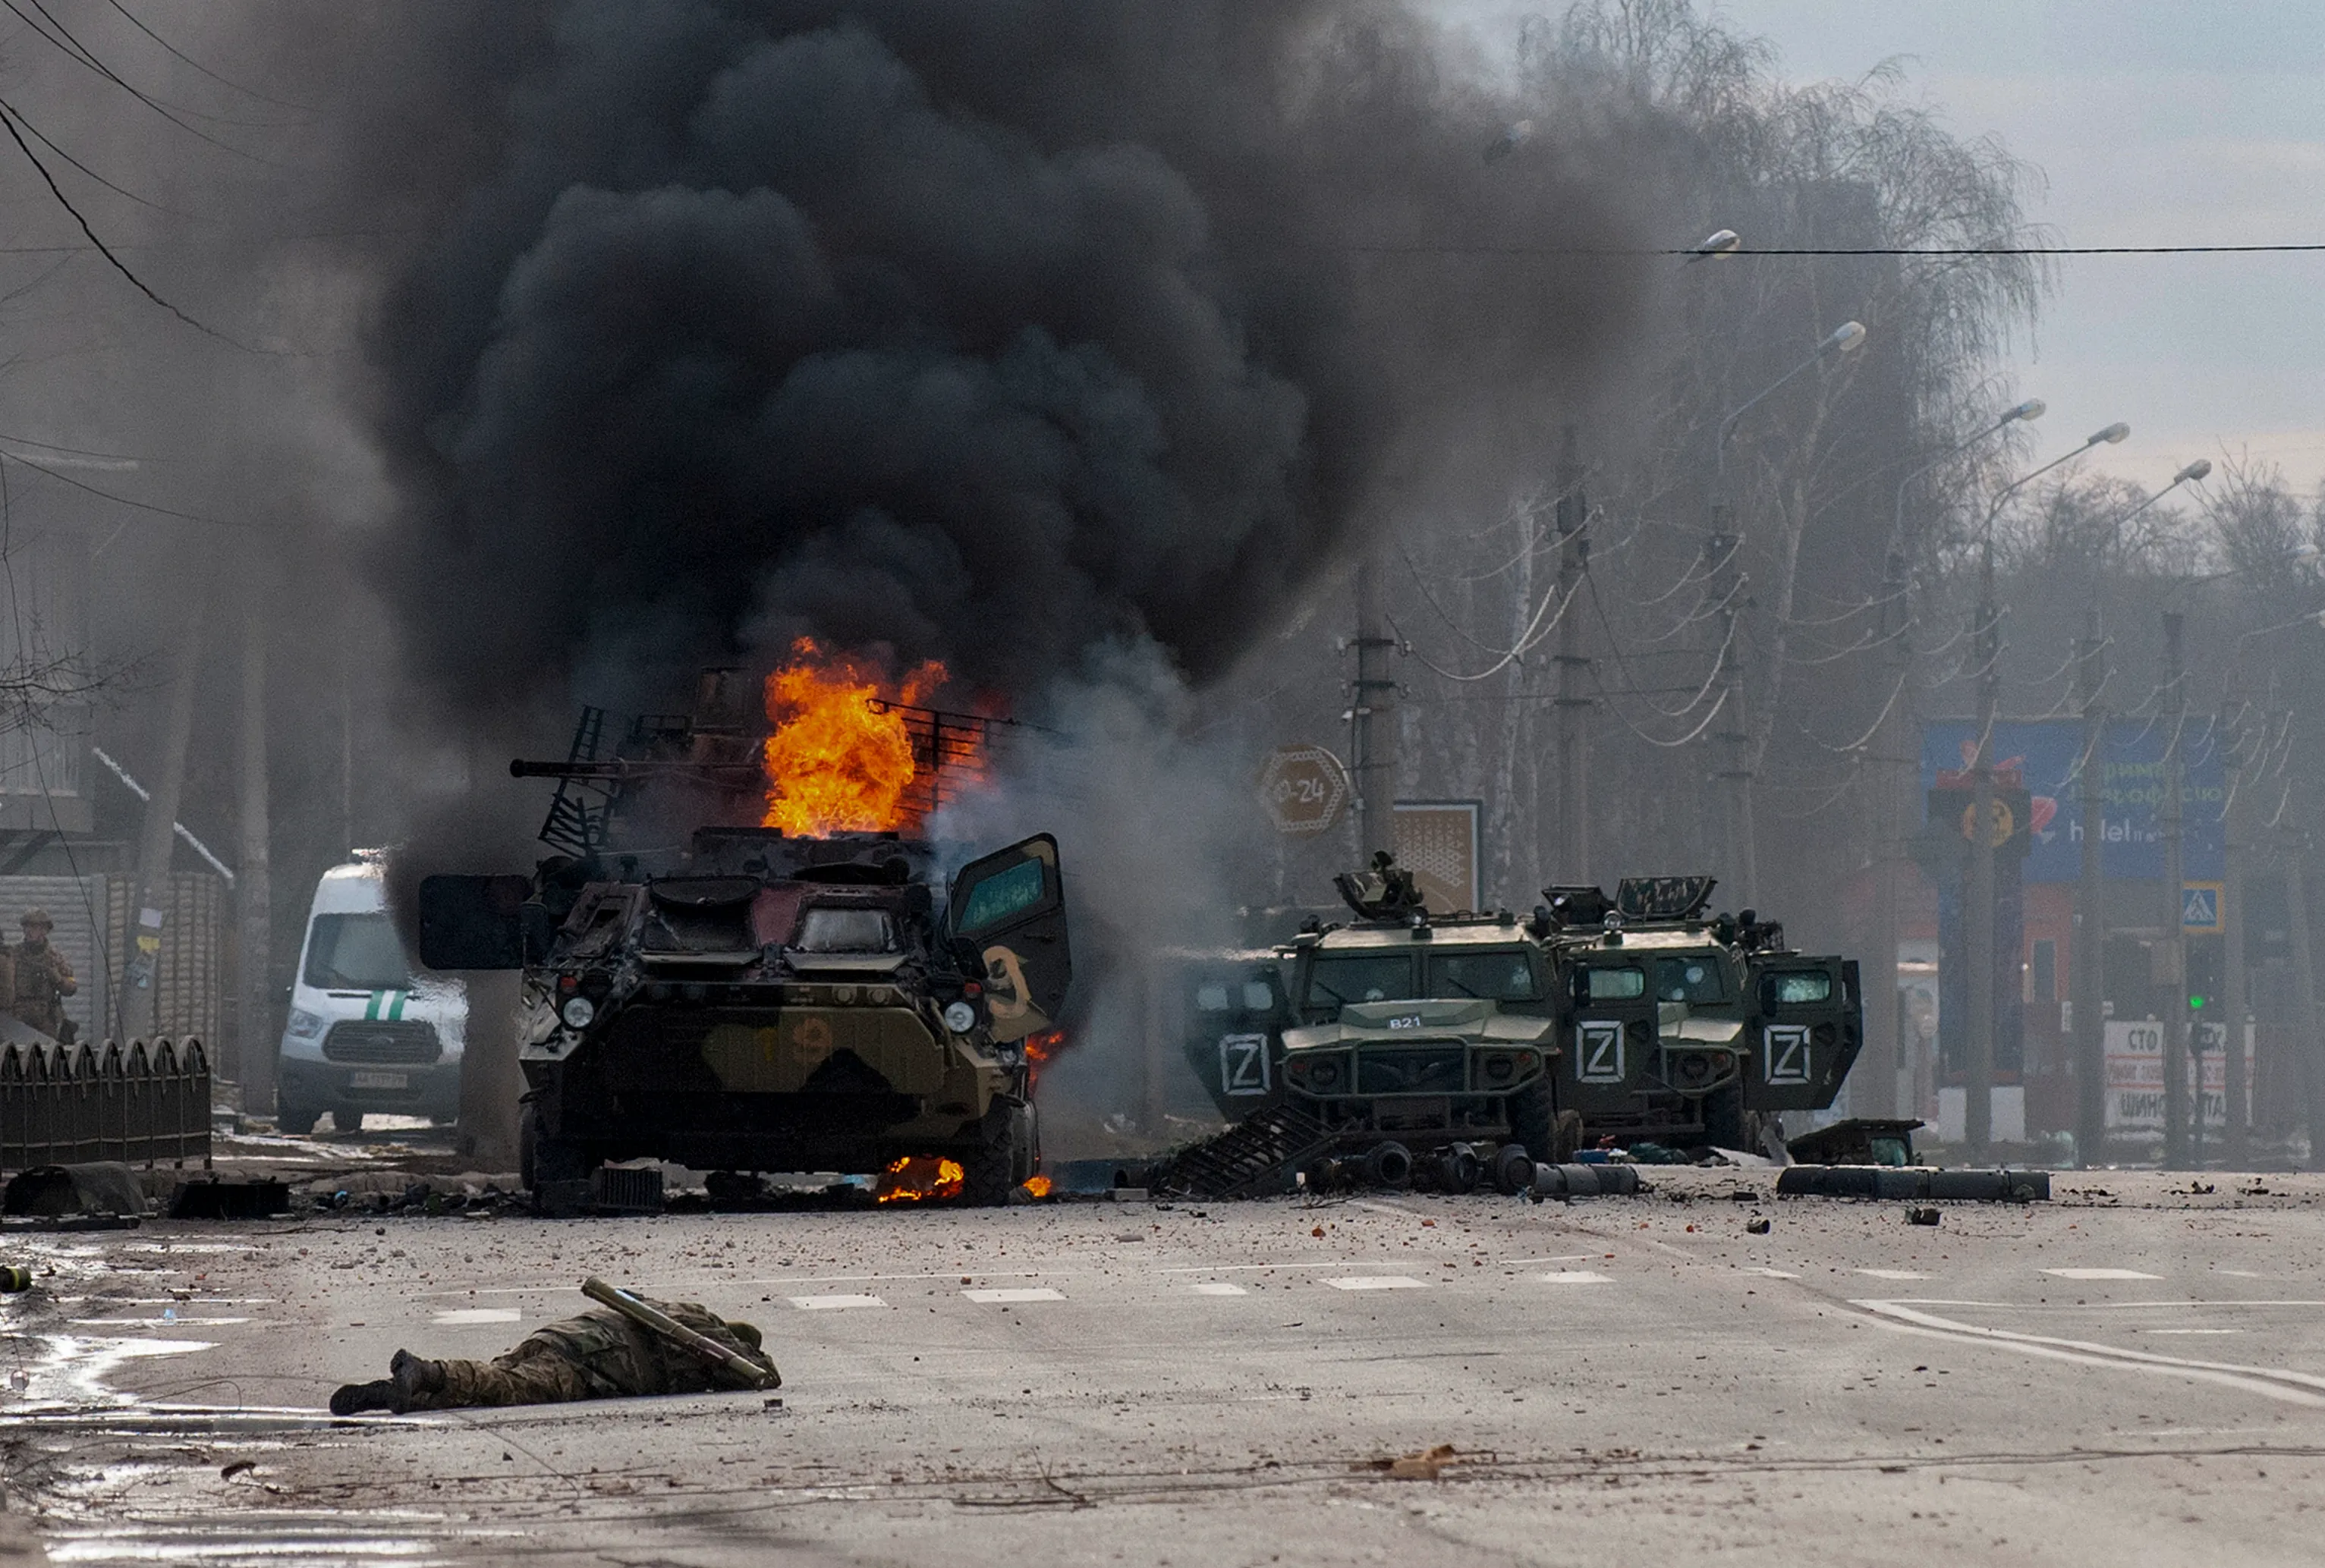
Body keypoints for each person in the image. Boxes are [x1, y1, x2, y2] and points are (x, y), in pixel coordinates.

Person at [329, 1294, 776, 1415]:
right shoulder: (712, 1342)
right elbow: (764, 1377)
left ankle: (399, 1394)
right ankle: (427, 1372)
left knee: (496, 1383)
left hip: (564, 1336)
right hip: (599, 1359)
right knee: (509, 1388)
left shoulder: (681, 1311)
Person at [10, 910, 74, 1040]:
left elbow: (71, 988)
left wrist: (56, 977)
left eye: (34, 927)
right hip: (18, 1015)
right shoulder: (13, 955)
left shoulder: (54, 957)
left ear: (44, 930)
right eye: (26, 927)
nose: (28, 931)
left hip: (46, 1018)